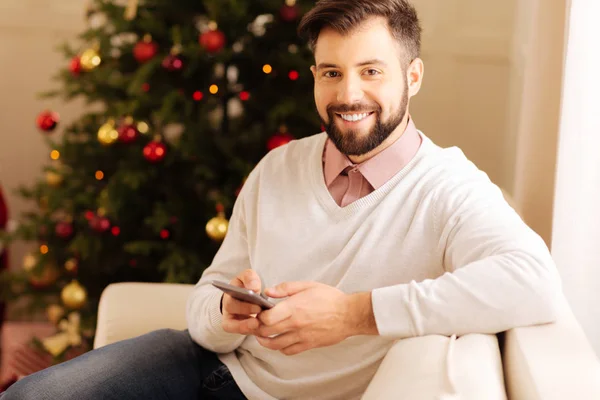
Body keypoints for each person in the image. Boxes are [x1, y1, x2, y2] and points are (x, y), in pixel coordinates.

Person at [2, 0, 562, 399]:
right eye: (331, 73)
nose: (348, 95)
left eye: (371, 72)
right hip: (205, 363)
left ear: (412, 76)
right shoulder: (280, 166)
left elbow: (534, 283)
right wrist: (227, 313)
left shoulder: (449, 188)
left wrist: (351, 314)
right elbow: (203, 306)